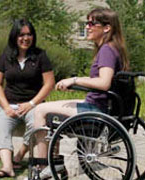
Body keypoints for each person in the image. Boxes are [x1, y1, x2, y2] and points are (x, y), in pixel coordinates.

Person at [34, 8, 129, 179]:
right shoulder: (114, 48)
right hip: (101, 105)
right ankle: (55, 164)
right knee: (47, 107)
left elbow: (104, 82)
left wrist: (75, 80)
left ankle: (44, 166)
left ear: (106, 28)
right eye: (87, 23)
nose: (87, 27)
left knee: (40, 110)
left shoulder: (107, 50)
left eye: (92, 23)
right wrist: (76, 82)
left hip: (97, 110)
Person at [0, 19, 55, 179]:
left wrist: (31, 104)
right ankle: (7, 167)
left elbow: (49, 84)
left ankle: (19, 156)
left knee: (36, 125)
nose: (26, 38)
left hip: (34, 105)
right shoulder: (6, 55)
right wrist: (5, 107)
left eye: (29, 34)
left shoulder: (40, 56)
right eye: (22, 35)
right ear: (15, 36)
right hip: (9, 105)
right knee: (1, 126)